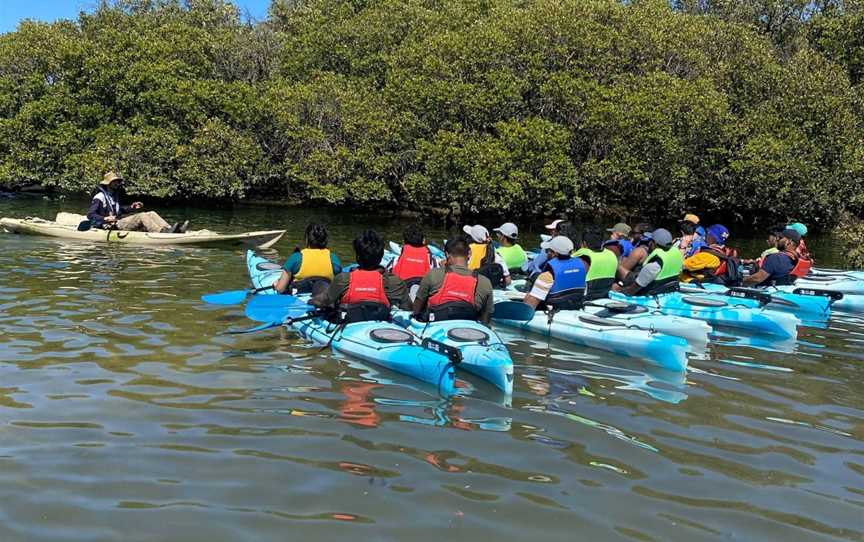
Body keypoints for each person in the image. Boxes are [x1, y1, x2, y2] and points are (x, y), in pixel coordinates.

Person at [310, 230, 407, 322]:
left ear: (357, 256)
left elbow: (324, 301)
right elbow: (408, 308)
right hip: (381, 323)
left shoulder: (343, 279)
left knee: (320, 284)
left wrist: (311, 301)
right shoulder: (396, 282)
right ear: (382, 256)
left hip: (349, 324)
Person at [413, 237, 494, 324]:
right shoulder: (485, 282)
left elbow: (417, 307)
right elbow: (486, 319)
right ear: (470, 253)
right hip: (468, 329)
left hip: (435, 326)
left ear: (447, 255)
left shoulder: (433, 274)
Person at [86, 171, 186, 233]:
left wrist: (132, 207)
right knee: (141, 216)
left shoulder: (114, 196)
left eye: (117, 181)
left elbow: (120, 210)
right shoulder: (99, 197)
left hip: (118, 221)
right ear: (108, 184)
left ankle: (170, 229)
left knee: (151, 213)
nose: (117, 183)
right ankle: (161, 232)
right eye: (114, 182)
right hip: (112, 225)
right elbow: (90, 214)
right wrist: (105, 218)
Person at [274, 223, 342, 295]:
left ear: (307, 239)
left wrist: (276, 285)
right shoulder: (333, 258)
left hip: (297, 294)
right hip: (324, 295)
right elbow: (339, 284)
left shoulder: (296, 257)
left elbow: (280, 289)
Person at [522, 236, 586, 310]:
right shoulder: (581, 268)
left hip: (551, 313)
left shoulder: (547, 276)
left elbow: (528, 308)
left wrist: (528, 297)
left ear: (554, 253)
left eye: (548, 251)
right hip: (574, 309)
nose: (547, 253)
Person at [614, 228, 683, 296]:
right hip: (664, 287)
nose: (648, 243)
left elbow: (631, 290)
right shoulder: (676, 253)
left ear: (654, 243)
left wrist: (619, 290)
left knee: (617, 267)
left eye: (650, 241)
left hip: (647, 290)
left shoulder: (655, 264)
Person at [744, 229, 812, 286]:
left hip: (768, 291)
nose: (777, 240)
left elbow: (757, 278)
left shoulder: (775, 258)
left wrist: (740, 281)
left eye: (780, 238)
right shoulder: (797, 258)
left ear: (789, 242)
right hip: (785, 288)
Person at [574, 227, 619, 300]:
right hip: (605, 297)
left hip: (587, 299)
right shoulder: (611, 255)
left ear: (584, 243)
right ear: (602, 242)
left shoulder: (582, 258)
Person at [389, 223, 436, 292]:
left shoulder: (397, 260)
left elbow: (390, 272)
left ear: (404, 242)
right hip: (422, 292)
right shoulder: (431, 259)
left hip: (402, 291)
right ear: (423, 241)